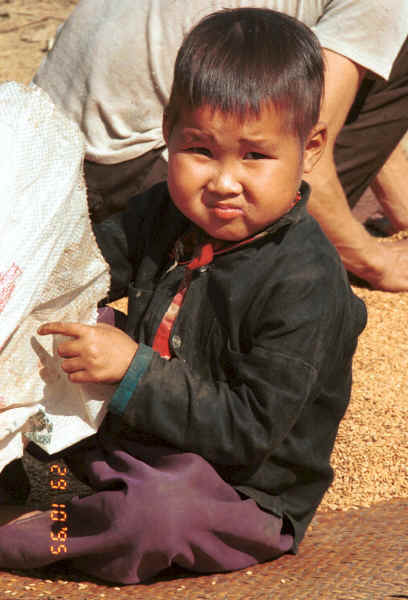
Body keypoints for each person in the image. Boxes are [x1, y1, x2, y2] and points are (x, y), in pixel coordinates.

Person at [0, 8, 366, 584]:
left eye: (254, 155)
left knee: (156, 516)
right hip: (138, 438)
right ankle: (59, 481)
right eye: (200, 150)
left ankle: (44, 529)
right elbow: (88, 268)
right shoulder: (167, 213)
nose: (222, 181)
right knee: (57, 331)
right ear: (168, 131)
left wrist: (132, 371)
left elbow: (249, 432)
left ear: (311, 146)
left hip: (237, 490)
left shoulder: (307, 283)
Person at [33, 0, 408, 291]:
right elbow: (314, 138)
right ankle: (237, 259)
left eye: (254, 156)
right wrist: (374, 261)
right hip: (129, 166)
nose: (225, 182)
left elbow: (349, 99)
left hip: (43, 149)